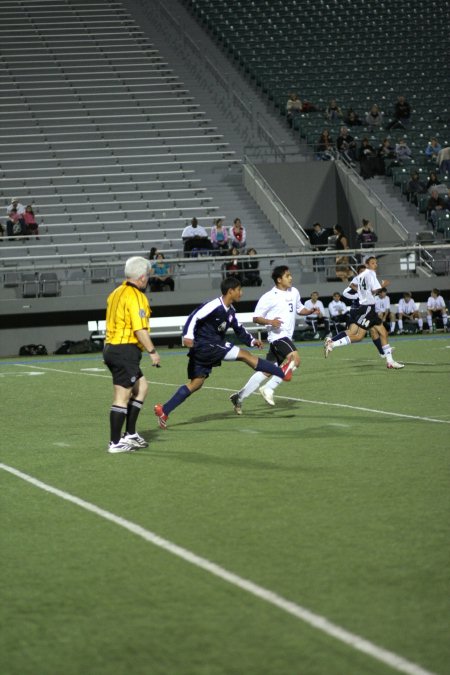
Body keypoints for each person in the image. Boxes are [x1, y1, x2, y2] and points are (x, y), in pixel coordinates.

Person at [153, 276, 295, 429]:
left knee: (196, 383)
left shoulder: (231, 311)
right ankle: (282, 372)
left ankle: (164, 410)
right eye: (239, 290)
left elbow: (239, 329)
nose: (241, 293)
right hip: (206, 345)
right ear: (230, 291)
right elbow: (194, 317)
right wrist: (187, 336)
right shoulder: (214, 305)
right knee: (245, 355)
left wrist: (252, 341)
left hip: (203, 350)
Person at [229, 266, 320, 412]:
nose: (291, 278)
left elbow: (299, 309)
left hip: (286, 337)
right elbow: (256, 317)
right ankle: (269, 388)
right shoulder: (269, 296)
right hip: (278, 336)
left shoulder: (294, 291)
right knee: (295, 359)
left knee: (266, 371)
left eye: (290, 275)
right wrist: (271, 322)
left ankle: (239, 396)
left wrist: (309, 311)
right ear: (279, 279)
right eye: (287, 276)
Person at [103, 256, 161, 453]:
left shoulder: (115, 293)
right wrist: (152, 351)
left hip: (112, 347)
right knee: (122, 395)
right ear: (143, 277)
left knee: (142, 387)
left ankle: (130, 434)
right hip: (124, 349)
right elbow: (139, 329)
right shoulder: (137, 297)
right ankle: (115, 443)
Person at [324, 256, 404, 369]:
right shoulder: (370, 274)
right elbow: (373, 291)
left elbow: (356, 287)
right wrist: (383, 285)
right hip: (366, 309)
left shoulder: (362, 276)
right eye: (372, 263)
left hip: (369, 309)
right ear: (367, 265)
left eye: (376, 263)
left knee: (383, 333)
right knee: (359, 336)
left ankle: (389, 361)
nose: (375, 265)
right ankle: (332, 343)